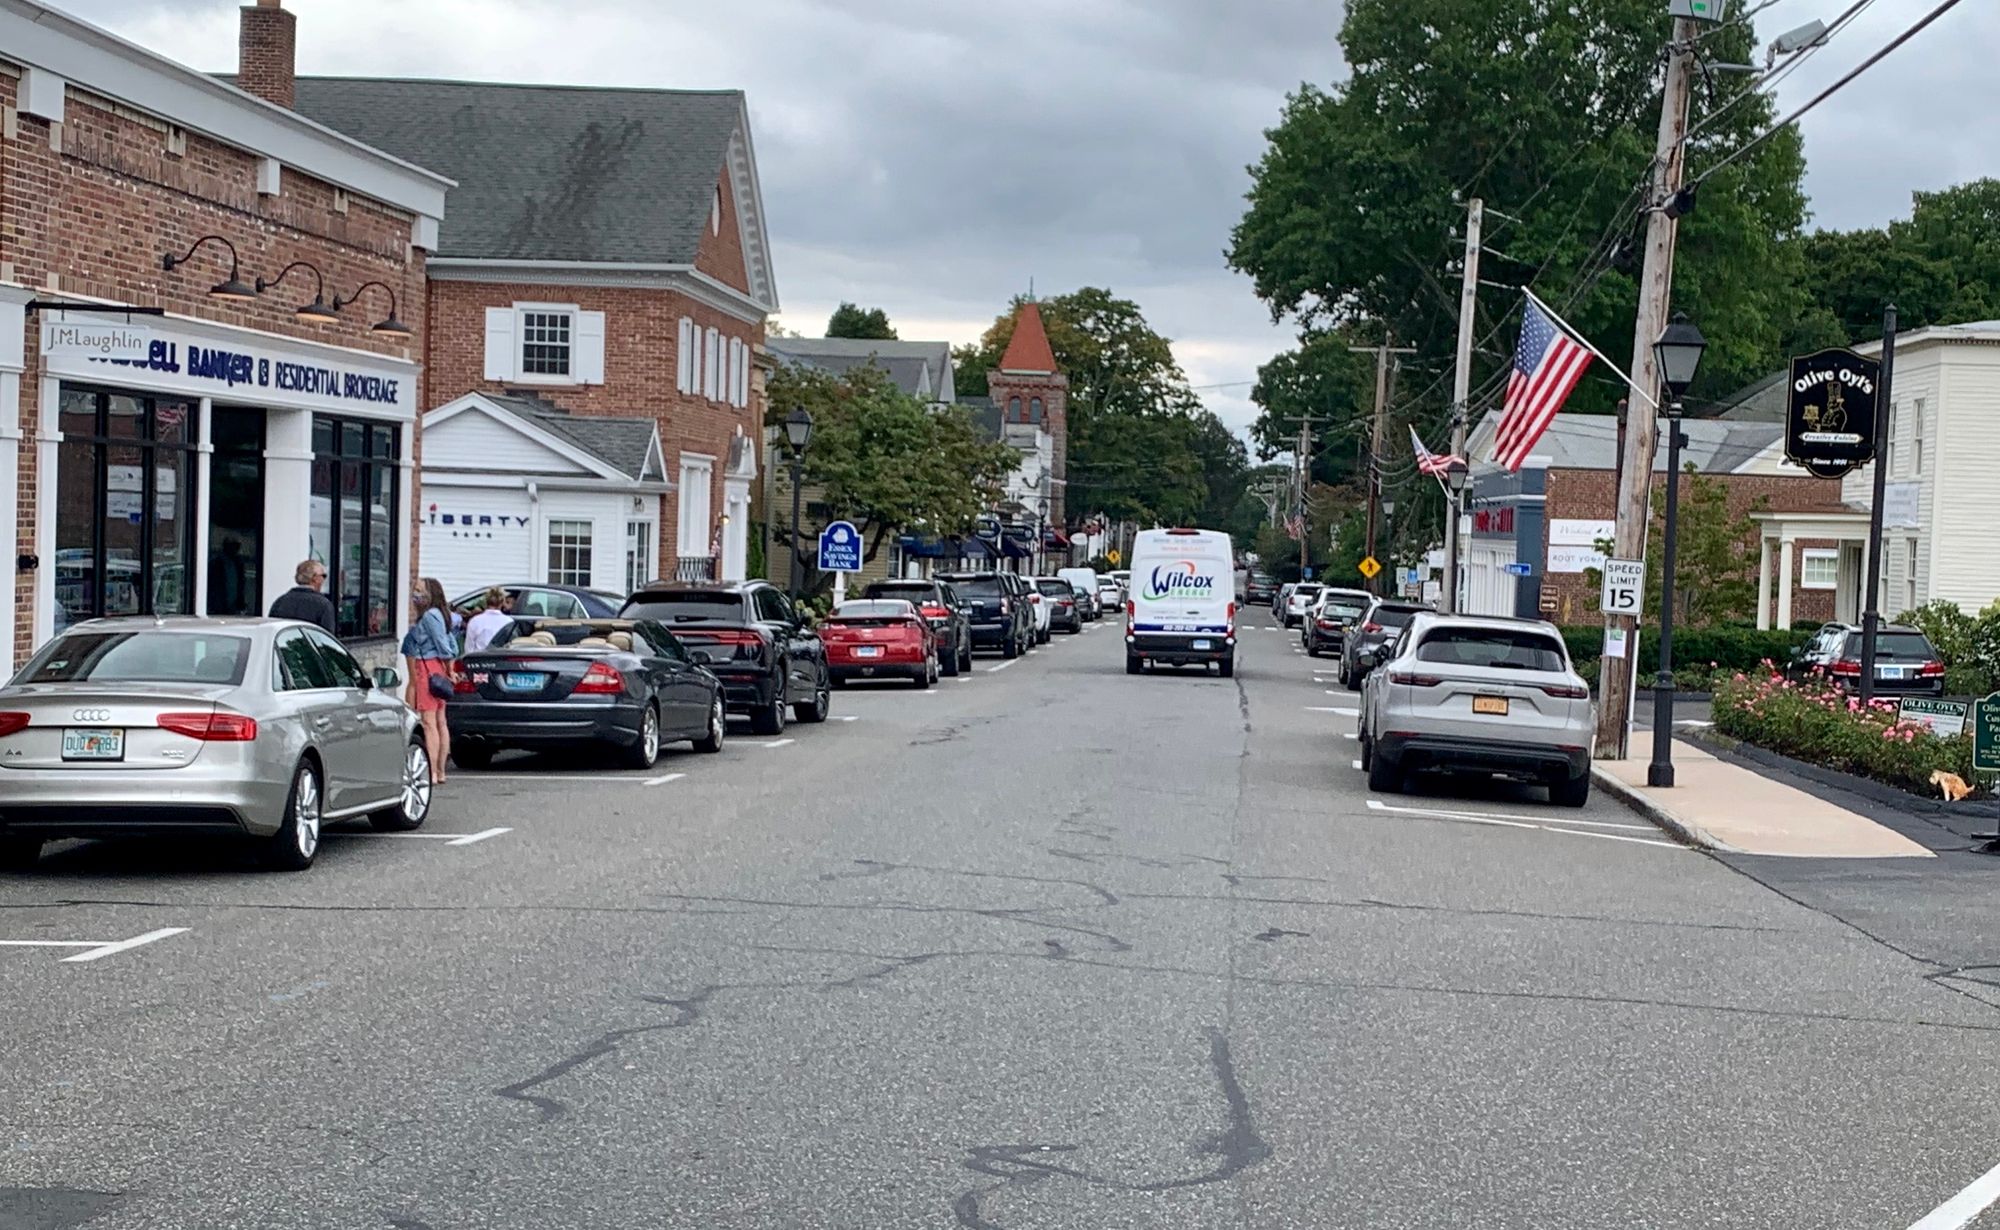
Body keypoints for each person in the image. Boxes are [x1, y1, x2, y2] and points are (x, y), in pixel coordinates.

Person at [400, 577, 456, 786]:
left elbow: (443, 645)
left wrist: (448, 666)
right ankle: (440, 771)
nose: (416, 595)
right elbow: (450, 643)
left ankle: (431, 770)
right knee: (440, 721)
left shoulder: (430, 616)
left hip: (428, 668)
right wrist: (448, 668)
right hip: (438, 669)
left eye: (420, 590)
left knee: (429, 723)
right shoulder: (441, 614)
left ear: (430, 593)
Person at [269, 559, 337, 634]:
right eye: (323, 576)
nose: (324, 579)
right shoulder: (323, 605)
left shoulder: (280, 601)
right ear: (315, 578)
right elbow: (327, 637)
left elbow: (272, 631)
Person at [463, 587, 514, 654]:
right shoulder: (509, 622)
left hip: (479, 658)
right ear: (502, 602)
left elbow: (469, 649)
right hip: (501, 657)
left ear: (486, 602)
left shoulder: (475, 621)